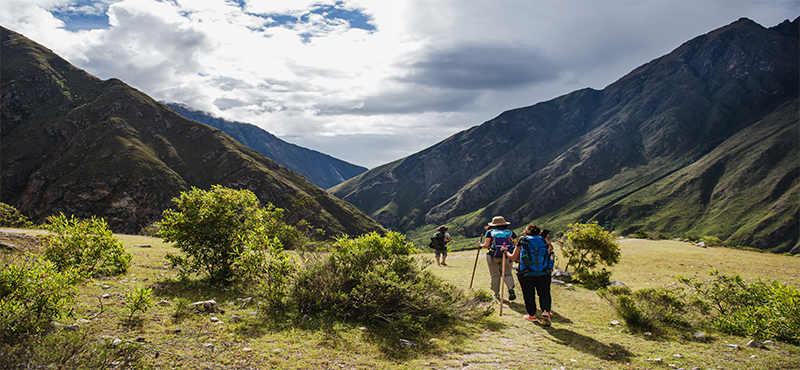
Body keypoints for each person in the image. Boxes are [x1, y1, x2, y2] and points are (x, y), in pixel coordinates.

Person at [506, 224, 553, 325]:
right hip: (544, 272)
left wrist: (505, 252)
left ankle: (532, 315)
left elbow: (514, 258)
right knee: (544, 293)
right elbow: (549, 249)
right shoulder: (543, 240)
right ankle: (545, 312)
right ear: (539, 232)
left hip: (526, 273)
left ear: (526, 232)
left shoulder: (523, 241)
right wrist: (544, 238)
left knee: (529, 294)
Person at [477, 216, 517, 301]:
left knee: (495, 275)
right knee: (507, 273)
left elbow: (487, 245)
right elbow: (515, 244)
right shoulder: (511, 233)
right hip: (507, 255)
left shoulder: (490, 232)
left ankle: (496, 293)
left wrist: (480, 244)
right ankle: (510, 288)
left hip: (492, 256)